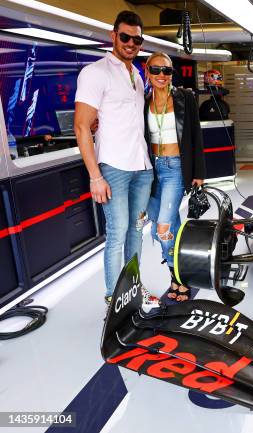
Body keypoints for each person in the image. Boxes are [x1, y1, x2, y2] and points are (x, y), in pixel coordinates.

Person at [74, 11, 153, 305]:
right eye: (125, 37)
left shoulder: (136, 75)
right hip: (114, 168)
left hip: (141, 168)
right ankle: (114, 299)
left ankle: (133, 289)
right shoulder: (96, 72)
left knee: (136, 232)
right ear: (113, 36)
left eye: (137, 39)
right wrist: (95, 176)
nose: (131, 43)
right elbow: (82, 126)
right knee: (117, 233)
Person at [144, 52, 205, 302]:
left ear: (172, 74)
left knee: (163, 227)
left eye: (167, 71)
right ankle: (179, 275)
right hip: (149, 170)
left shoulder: (185, 98)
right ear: (146, 71)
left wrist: (199, 172)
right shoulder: (142, 100)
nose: (161, 75)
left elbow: (195, 134)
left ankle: (178, 278)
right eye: (156, 70)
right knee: (168, 227)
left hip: (175, 168)